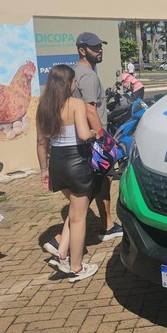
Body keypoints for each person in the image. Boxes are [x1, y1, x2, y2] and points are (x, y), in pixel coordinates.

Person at [42, 32, 122, 258]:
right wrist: (105, 142)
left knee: (96, 186)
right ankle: (61, 242)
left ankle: (106, 226)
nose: (99, 50)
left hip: (74, 148)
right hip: (90, 143)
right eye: (94, 47)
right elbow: (90, 110)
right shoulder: (87, 76)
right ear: (82, 50)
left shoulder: (74, 74)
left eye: (100, 46)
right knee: (88, 191)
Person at [36, 65, 100, 282]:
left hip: (57, 164)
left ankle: (62, 252)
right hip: (76, 163)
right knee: (79, 217)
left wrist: (44, 170)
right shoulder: (76, 104)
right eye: (73, 81)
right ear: (68, 83)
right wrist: (94, 133)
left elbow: (41, 143)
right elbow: (83, 134)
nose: (75, 84)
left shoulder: (43, 106)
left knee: (75, 208)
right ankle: (76, 267)